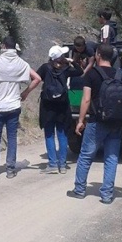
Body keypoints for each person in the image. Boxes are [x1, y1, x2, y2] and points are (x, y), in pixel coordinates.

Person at [0, 36, 41, 179]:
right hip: (14, 106)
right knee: (12, 137)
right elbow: (37, 78)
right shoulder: (22, 63)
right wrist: (25, 92)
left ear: (3, 46)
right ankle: (10, 169)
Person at [69, 43, 122, 204]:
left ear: (98, 55)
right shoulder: (119, 74)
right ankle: (106, 194)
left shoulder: (91, 74)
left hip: (96, 121)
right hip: (115, 122)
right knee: (111, 157)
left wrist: (80, 121)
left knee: (86, 155)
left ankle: (79, 189)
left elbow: (86, 99)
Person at [37, 45, 83, 174]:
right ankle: (62, 165)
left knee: (49, 134)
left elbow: (35, 78)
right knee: (62, 134)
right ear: (61, 57)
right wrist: (72, 61)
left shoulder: (45, 68)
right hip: (62, 106)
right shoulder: (66, 68)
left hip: (48, 106)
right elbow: (80, 72)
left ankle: (52, 164)